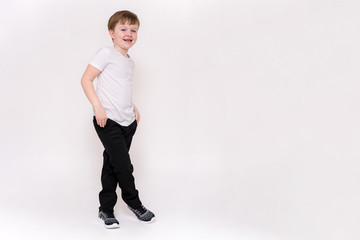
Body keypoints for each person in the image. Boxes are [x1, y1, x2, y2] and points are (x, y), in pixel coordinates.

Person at [80, 10, 155, 229]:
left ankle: (105, 209)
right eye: (123, 29)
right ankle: (135, 203)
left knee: (112, 165)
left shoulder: (130, 62)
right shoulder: (105, 53)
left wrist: (132, 107)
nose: (129, 33)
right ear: (112, 33)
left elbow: (120, 88)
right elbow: (86, 80)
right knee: (123, 165)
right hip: (107, 120)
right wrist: (98, 107)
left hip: (128, 121)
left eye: (133, 30)